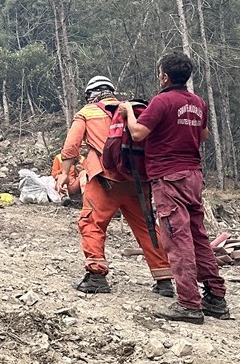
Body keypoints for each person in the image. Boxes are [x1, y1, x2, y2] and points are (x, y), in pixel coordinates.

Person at [121, 52, 229, 324]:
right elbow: (203, 135)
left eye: (160, 73)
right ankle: (216, 297)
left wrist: (128, 113)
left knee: (176, 239)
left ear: (165, 76)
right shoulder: (197, 103)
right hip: (193, 175)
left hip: (168, 178)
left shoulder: (162, 101)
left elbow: (137, 134)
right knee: (197, 236)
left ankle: (189, 303)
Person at [57, 75, 174, 297]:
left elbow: (71, 146)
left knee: (91, 223)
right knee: (147, 227)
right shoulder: (131, 109)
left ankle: (96, 276)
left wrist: (64, 173)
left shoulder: (87, 112)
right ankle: (164, 279)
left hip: (104, 179)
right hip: (137, 181)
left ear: (90, 94)